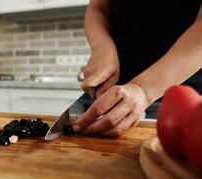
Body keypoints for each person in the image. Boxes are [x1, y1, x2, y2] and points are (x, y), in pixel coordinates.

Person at [73, 0, 202, 137]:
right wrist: (101, 47)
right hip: (106, 97)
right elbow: (98, 8)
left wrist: (142, 90)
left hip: (182, 102)